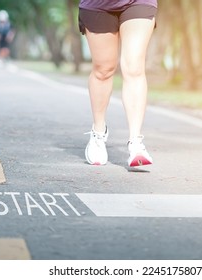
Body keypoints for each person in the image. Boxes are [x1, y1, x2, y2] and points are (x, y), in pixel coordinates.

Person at [78, 0, 157, 167]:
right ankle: (98, 132)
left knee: (134, 67)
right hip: (98, 4)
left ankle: (136, 142)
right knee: (103, 69)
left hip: (138, 3)